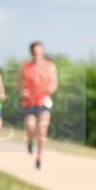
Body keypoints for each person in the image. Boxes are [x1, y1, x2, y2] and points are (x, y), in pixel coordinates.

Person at [20, 41, 59, 170]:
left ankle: (39, 159)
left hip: (44, 102)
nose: (37, 54)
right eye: (34, 52)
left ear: (42, 51)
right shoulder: (25, 67)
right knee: (31, 127)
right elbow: (20, 84)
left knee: (42, 132)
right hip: (29, 103)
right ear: (31, 53)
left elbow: (54, 83)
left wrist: (49, 89)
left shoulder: (50, 66)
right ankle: (30, 141)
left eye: (39, 51)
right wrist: (23, 91)